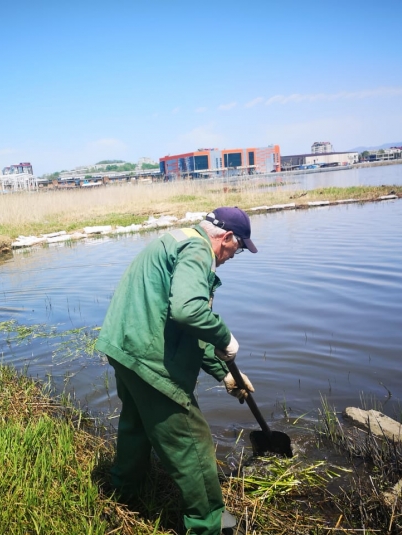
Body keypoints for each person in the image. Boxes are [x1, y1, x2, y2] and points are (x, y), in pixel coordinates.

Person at [94, 207, 258, 535]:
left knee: (136, 425)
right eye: (237, 249)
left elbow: (178, 322)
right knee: (193, 443)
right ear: (226, 238)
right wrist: (225, 338)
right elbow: (188, 311)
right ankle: (209, 524)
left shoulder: (176, 240)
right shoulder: (198, 251)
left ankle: (123, 491)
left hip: (123, 346)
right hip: (149, 358)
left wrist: (223, 373)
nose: (231, 257)